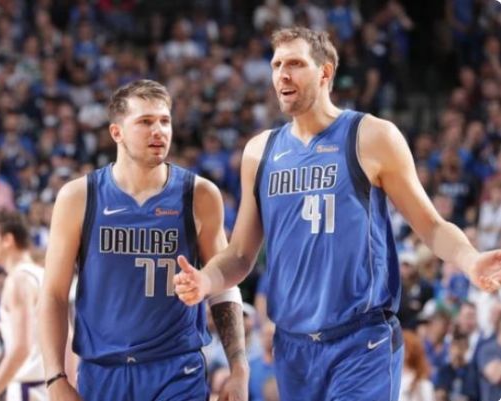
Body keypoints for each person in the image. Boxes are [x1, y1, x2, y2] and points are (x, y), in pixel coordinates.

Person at [174, 26, 501, 401]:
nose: (282, 74)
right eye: (277, 65)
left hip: (361, 342)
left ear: (325, 72)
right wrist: (205, 280)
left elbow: (431, 226)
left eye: (295, 64)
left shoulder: (371, 136)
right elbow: (240, 255)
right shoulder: (260, 151)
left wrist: (470, 260)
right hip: (293, 347)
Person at [39, 79, 248, 401]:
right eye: (145, 122)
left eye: (165, 121)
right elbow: (53, 293)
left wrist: (239, 369)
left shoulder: (199, 194)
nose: (159, 131)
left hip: (177, 370)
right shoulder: (79, 197)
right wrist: (55, 377)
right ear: (116, 133)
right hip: (103, 370)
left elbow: (223, 285)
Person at [0, 211, 48, 401]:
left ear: (7, 240)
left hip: (29, 387)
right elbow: (69, 340)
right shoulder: (43, 275)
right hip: (48, 386)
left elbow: (21, 348)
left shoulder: (18, 280)